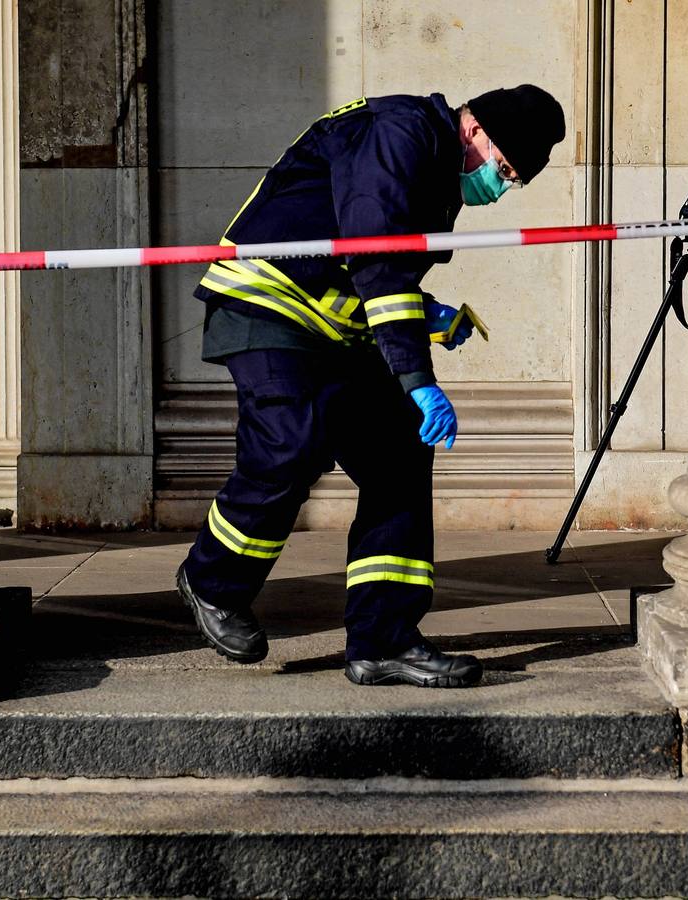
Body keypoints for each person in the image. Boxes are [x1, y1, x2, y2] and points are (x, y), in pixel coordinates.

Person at [175, 85, 566, 688]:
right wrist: (417, 379)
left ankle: (384, 640)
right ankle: (212, 581)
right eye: (504, 168)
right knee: (290, 442)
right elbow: (373, 253)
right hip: (269, 304)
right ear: (475, 130)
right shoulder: (402, 133)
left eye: (512, 179)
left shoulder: (435, 165)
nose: (499, 184)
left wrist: (425, 312)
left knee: (399, 456)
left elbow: (382, 274)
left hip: (334, 328)